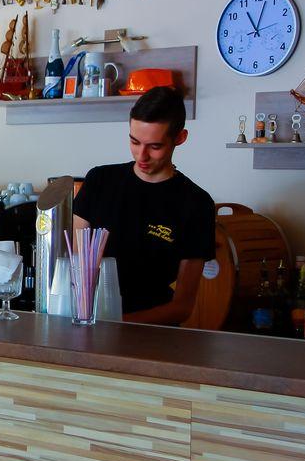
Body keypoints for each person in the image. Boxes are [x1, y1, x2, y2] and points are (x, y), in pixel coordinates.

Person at [72, 86, 215, 325]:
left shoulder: (196, 203)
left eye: (155, 146)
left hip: (152, 332)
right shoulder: (99, 181)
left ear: (180, 138)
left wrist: (117, 325)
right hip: (89, 322)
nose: (141, 155)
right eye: (134, 142)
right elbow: (76, 264)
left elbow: (182, 307)